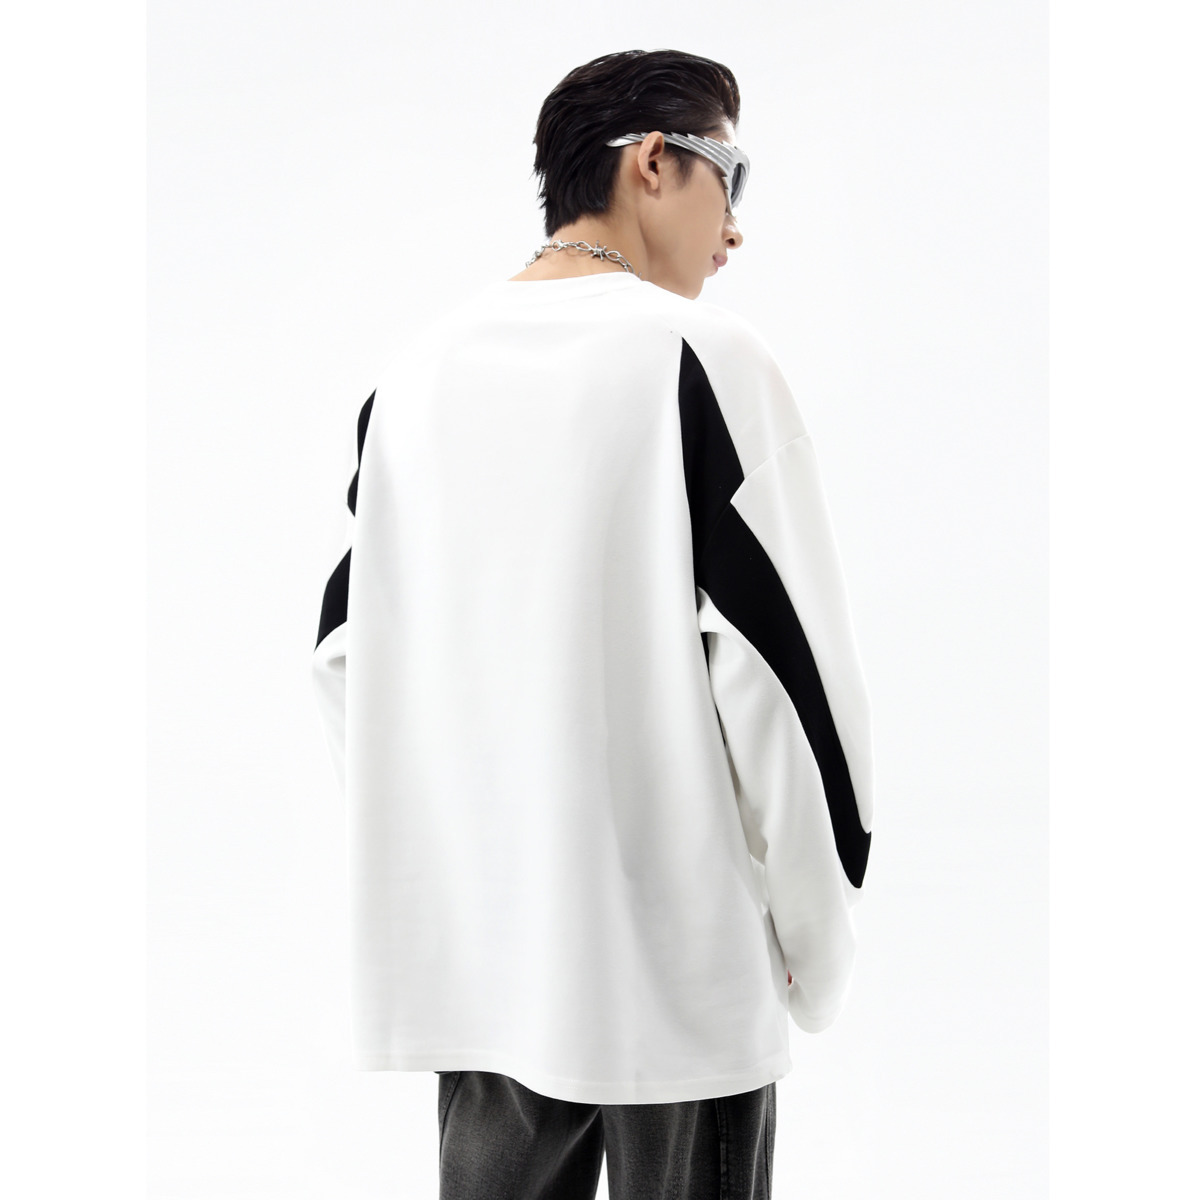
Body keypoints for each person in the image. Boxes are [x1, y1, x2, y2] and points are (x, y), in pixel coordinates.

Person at [311, 48, 874, 1200]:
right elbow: (789, 685)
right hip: (678, 980)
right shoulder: (702, 357)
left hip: (489, 974)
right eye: (732, 175)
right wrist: (816, 958)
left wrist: (459, 860)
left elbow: (346, 658)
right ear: (654, 162)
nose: (736, 229)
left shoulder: (412, 379)